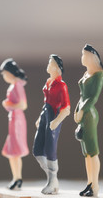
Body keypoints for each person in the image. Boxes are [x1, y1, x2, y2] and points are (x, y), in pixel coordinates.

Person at [33, 54, 70, 195]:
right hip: (45, 115)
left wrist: (56, 121)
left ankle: (52, 180)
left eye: (51, 63)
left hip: (54, 116)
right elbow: (45, 104)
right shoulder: (48, 82)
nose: (48, 65)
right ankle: (51, 177)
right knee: (37, 150)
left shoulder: (62, 85)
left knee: (50, 149)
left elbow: (66, 108)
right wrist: (40, 118)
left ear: (56, 68)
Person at [74, 44, 103, 197]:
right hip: (82, 114)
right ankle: (89, 183)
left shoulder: (98, 75)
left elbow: (92, 98)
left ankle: (95, 185)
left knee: (93, 151)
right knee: (86, 153)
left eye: (84, 55)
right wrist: (76, 110)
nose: (82, 58)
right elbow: (81, 97)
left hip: (89, 115)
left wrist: (82, 110)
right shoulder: (86, 74)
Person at [0, 58, 29, 190]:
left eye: (5, 73)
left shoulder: (17, 85)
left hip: (17, 120)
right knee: (12, 152)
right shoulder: (14, 85)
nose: (4, 76)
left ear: (10, 73)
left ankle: (18, 178)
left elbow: (23, 105)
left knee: (15, 151)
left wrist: (8, 104)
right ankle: (16, 177)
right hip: (13, 119)